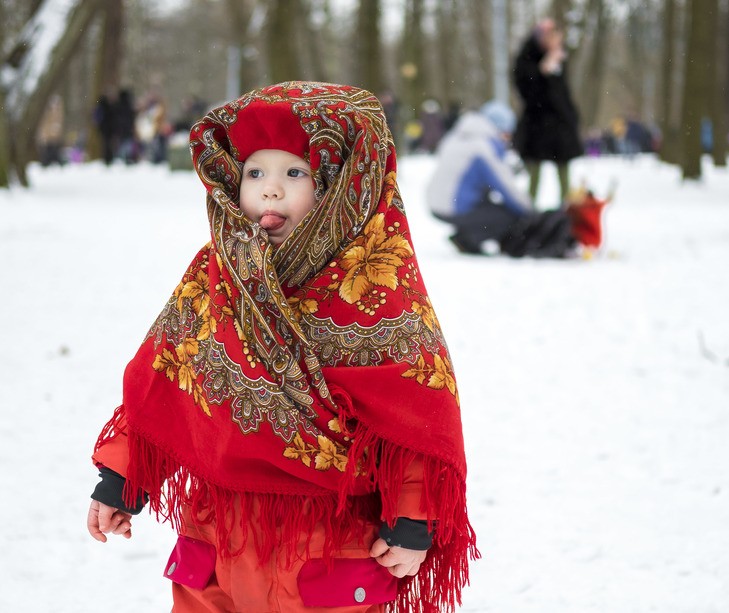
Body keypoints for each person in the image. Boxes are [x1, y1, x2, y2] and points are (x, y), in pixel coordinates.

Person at [86, 82, 476, 612]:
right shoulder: (218, 274)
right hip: (217, 534)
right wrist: (123, 476)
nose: (270, 190)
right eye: (255, 174)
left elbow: (412, 409)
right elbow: (167, 369)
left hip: (332, 543)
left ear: (340, 187)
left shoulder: (374, 284)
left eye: (294, 173)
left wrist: (414, 515)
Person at [426, 100, 575, 258]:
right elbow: (506, 188)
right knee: (507, 216)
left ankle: (467, 232)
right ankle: (467, 237)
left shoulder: (460, 136)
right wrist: (531, 213)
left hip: (438, 202)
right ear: (498, 128)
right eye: (507, 133)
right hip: (454, 206)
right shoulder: (483, 148)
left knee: (494, 209)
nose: (507, 139)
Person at [512, 18, 583, 204]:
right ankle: (529, 216)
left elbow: (562, 95)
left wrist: (573, 118)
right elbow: (526, 89)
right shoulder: (527, 58)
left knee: (564, 175)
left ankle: (566, 216)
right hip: (536, 125)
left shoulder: (559, 59)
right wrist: (541, 71)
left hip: (559, 126)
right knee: (534, 176)